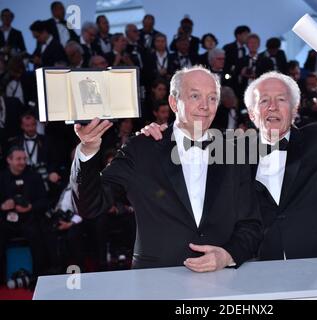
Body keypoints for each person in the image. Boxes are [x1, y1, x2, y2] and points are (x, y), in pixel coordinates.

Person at [142, 58, 317, 261]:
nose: (272, 107)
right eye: (263, 101)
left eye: (281, 100)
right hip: (256, 263)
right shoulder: (229, 148)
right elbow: (184, 160)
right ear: (251, 113)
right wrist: (155, 134)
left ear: (294, 110)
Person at [70, 66, 262, 270]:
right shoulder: (142, 148)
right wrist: (88, 150)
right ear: (173, 102)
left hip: (223, 280)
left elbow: (251, 224)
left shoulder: (233, 150)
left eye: (212, 98)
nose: (205, 105)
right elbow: (89, 206)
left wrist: (227, 255)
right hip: (155, 281)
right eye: (195, 96)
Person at [0, 147, 48, 280]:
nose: (22, 162)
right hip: (5, 220)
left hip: (29, 219)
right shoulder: (2, 177)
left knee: (37, 235)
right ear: (9, 160)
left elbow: (44, 201)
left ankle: (38, 277)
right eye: (18, 159)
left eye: (24, 159)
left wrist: (31, 207)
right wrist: (2, 206)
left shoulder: (34, 176)